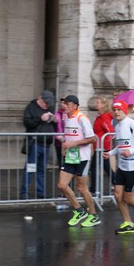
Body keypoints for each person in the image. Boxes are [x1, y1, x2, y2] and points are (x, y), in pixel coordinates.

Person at [103, 100, 134, 234]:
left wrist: (130, 151)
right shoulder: (118, 126)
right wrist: (110, 153)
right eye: (115, 110)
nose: (116, 112)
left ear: (125, 110)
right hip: (123, 166)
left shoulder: (132, 124)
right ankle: (128, 223)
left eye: (119, 109)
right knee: (118, 195)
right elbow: (121, 145)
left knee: (128, 198)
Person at [57, 94, 101, 227]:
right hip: (71, 157)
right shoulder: (66, 118)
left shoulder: (82, 118)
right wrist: (65, 144)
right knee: (62, 185)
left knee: (81, 188)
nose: (64, 106)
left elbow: (92, 138)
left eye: (67, 104)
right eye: (64, 103)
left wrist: (73, 144)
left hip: (83, 157)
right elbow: (70, 136)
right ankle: (79, 210)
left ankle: (93, 215)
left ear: (75, 106)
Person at [20, 90, 56, 199]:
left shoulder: (49, 108)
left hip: (46, 144)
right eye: (45, 102)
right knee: (30, 168)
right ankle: (24, 193)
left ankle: (41, 192)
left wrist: (54, 120)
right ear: (40, 99)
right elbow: (27, 123)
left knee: (42, 170)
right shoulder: (31, 107)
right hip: (35, 143)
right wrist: (40, 119)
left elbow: (52, 126)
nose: (47, 105)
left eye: (48, 103)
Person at [91, 95, 116, 194]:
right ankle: (117, 183)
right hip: (99, 147)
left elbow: (110, 131)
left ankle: (94, 189)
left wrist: (105, 142)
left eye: (98, 103)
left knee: (94, 168)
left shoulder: (104, 117)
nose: (96, 104)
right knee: (106, 168)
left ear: (103, 105)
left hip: (101, 147)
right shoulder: (100, 116)